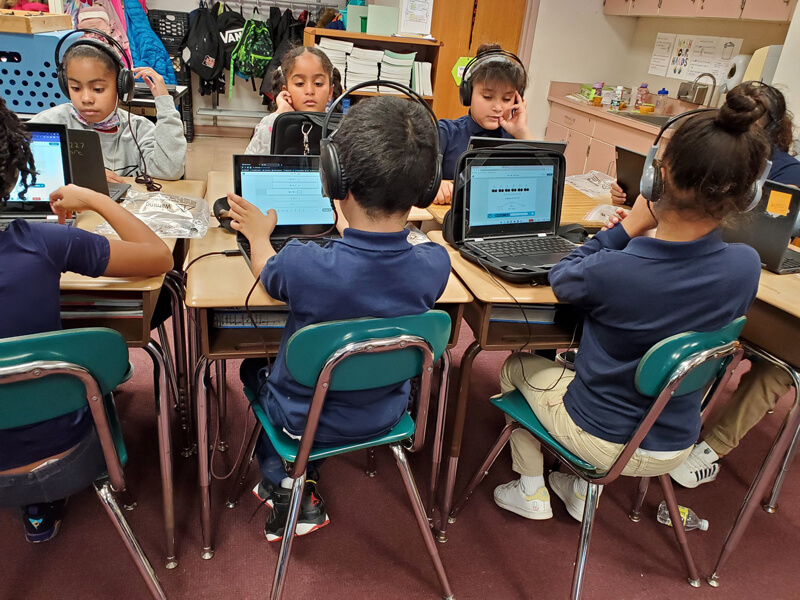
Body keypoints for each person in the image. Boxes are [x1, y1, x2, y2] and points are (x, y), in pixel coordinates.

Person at [492, 87, 770, 523]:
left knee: (516, 365)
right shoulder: (745, 265)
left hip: (602, 439)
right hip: (675, 444)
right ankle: (580, 489)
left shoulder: (617, 271)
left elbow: (563, 277)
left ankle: (530, 490)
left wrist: (630, 228)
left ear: (656, 180)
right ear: (746, 194)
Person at [230, 96, 450, 541]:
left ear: (333, 180)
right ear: (425, 189)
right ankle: (300, 477)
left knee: (251, 367)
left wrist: (258, 235)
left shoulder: (300, 264)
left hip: (301, 418)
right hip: (386, 414)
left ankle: (282, 477)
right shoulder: (435, 264)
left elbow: (265, 272)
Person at [607, 83, 799, 489]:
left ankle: (709, 448)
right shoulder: (741, 261)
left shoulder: (788, 173)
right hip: (710, 252)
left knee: (781, 361)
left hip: (726, 258)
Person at [0, 97, 174, 542]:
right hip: (68, 454)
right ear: (15, 172)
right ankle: (42, 495)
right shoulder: (41, 241)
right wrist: (95, 197)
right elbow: (159, 256)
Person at [610, 81, 800, 206]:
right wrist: (634, 194)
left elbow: (777, 227)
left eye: (748, 127)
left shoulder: (789, 172)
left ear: (770, 131)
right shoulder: (708, 147)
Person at [30, 39, 186, 182]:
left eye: (98, 89)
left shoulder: (138, 129)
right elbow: (13, 167)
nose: (86, 99)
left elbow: (170, 170)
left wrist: (165, 104)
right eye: (76, 88)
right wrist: (80, 176)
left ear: (121, 87)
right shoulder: (49, 124)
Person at [434, 43, 532, 205]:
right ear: (468, 94)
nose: (498, 107)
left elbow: (542, 186)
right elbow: (418, 182)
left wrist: (522, 132)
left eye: (507, 99)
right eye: (487, 96)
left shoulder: (516, 139)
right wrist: (437, 185)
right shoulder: (446, 132)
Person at [245, 46, 343, 155]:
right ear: (286, 91)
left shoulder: (341, 131)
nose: (309, 91)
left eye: (318, 83)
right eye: (300, 83)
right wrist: (278, 116)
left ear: (330, 92)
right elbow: (250, 167)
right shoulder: (271, 124)